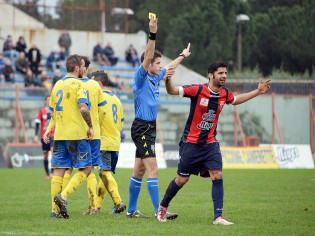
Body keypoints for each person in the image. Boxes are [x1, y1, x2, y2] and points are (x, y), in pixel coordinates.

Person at [156, 61, 271, 224]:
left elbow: (236, 100)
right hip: (191, 143)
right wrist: (168, 80)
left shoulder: (225, 93)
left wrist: (258, 91)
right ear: (211, 75)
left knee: (217, 175)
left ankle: (218, 216)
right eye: (220, 73)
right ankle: (163, 207)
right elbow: (172, 90)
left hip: (210, 143)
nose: (224, 76)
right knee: (182, 180)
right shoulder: (198, 90)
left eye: (225, 73)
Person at [126, 15, 191, 219]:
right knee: (153, 170)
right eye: (157, 62)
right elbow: (147, 57)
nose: (160, 65)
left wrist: (182, 55)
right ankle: (159, 212)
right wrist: (152, 33)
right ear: (149, 65)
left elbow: (170, 68)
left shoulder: (156, 75)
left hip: (148, 128)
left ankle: (131, 210)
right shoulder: (141, 76)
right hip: (142, 128)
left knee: (139, 172)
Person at [43, 54, 94, 219]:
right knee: (86, 168)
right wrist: (91, 126)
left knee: (58, 171)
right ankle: (63, 197)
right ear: (77, 68)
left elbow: (54, 113)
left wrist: (48, 130)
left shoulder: (57, 84)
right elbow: (84, 108)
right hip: (77, 135)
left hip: (59, 134)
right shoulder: (79, 84)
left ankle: (54, 210)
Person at [92, 70, 126, 214]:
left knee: (104, 173)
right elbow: (121, 122)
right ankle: (97, 207)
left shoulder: (98, 98)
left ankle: (118, 202)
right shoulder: (117, 99)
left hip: (103, 141)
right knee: (105, 174)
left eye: (93, 83)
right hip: (115, 142)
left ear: (99, 83)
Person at [78, 56, 106, 215]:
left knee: (79, 169)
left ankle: (63, 199)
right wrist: (97, 125)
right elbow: (102, 110)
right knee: (90, 169)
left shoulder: (73, 84)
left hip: (78, 133)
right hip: (93, 133)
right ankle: (93, 205)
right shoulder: (95, 86)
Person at [34, 95, 54, 179]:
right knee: (45, 155)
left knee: (53, 152)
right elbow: (37, 123)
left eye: (50, 99)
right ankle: (47, 173)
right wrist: (36, 135)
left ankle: (53, 172)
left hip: (53, 135)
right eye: (48, 99)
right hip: (44, 136)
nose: (49, 101)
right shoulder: (42, 111)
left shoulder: (54, 111)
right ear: (45, 101)